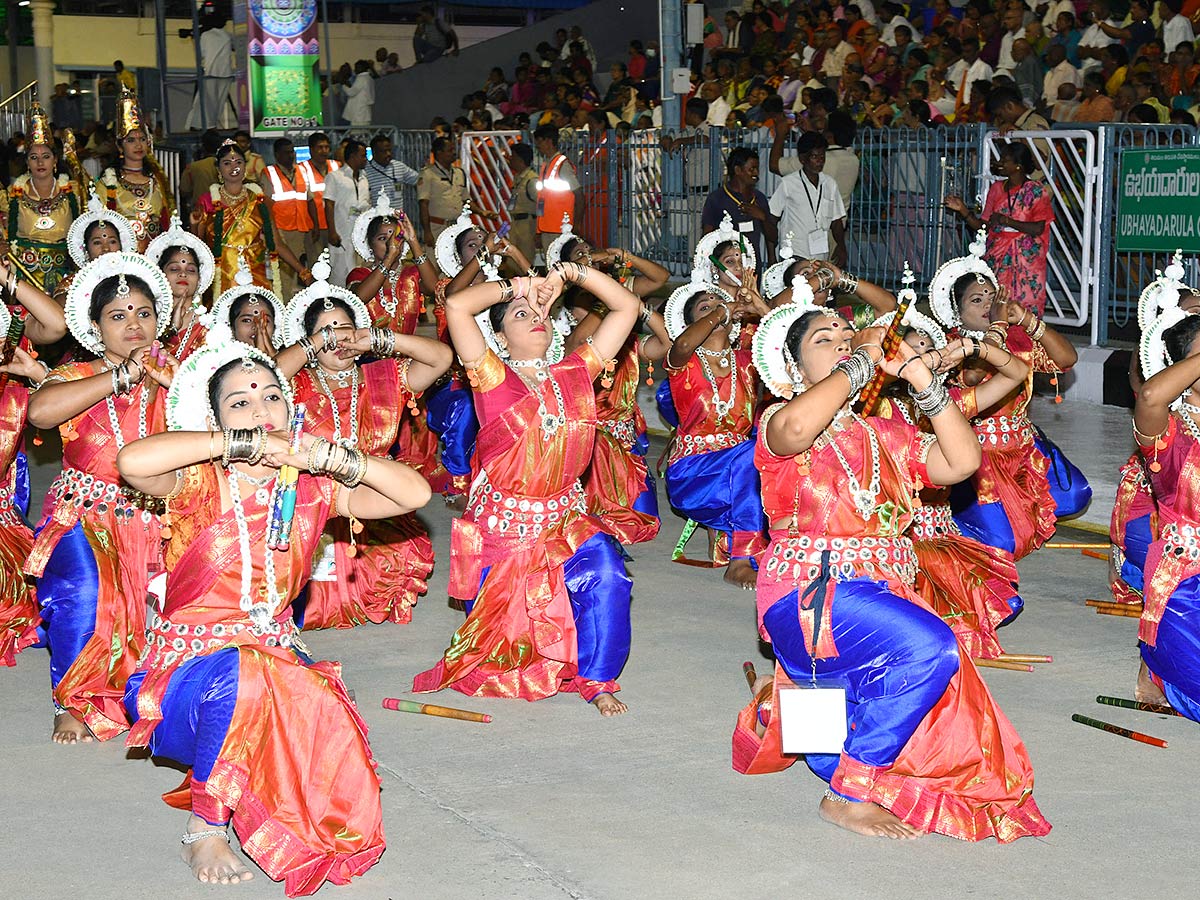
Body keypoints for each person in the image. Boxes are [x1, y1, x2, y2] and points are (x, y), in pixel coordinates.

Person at [116, 336, 431, 890]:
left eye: (270, 396)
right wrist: (230, 445)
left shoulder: (312, 488)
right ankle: (206, 826)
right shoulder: (194, 481)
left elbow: (414, 494)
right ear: (214, 419)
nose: (260, 410)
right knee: (246, 675)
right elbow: (131, 460)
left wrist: (325, 457)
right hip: (182, 682)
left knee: (336, 777)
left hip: (277, 662)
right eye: (239, 402)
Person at [731, 297, 1050, 843]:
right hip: (811, 598)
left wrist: (924, 381)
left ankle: (806, 720)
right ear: (791, 369)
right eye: (822, 340)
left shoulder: (886, 435)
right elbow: (797, 425)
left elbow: (962, 462)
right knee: (932, 649)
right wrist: (856, 365)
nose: (841, 341)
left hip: (876, 599)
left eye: (845, 334)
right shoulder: (779, 424)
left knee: (923, 758)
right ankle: (846, 794)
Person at [413, 261, 640, 716]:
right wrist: (519, 286)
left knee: (610, 573)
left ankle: (597, 678)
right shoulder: (491, 376)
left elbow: (627, 306)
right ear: (498, 337)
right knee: (507, 651)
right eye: (520, 315)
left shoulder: (575, 373)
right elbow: (457, 305)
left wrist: (569, 275)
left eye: (541, 312)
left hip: (565, 520)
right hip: (506, 532)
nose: (536, 316)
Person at [25, 253, 174, 744]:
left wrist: (179, 389)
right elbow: (41, 413)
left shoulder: (181, 375)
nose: (134, 324)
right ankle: (70, 698)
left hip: (161, 516)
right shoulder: (76, 376)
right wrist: (122, 377)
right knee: (87, 592)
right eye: (118, 315)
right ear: (95, 327)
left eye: (143, 313)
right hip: (83, 516)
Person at [280, 267, 449, 629]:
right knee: (308, 601)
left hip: (376, 501)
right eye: (324, 333)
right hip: (317, 505)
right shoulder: (295, 385)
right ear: (307, 341)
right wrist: (312, 346)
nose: (336, 340)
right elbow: (269, 373)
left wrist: (377, 340)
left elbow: (441, 359)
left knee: (391, 574)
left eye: (343, 330)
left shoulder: (386, 376)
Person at [871, 304, 1030, 658]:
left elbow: (1016, 374)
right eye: (913, 350)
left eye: (929, 347)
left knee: (1006, 602)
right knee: (941, 625)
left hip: (943, 538)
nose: (925, 356)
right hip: (901, 540)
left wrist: (973, 349)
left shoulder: (949, 405)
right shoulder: (876, 410)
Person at [927, 235, 1086, 561]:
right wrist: (998, 323)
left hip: (1024, 447)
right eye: (976, 300)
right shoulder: (950, 346)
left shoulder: (1015, 340)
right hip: (979, 458)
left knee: (1077, 496)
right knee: (1005, 543)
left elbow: (1066, 359)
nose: (987, 304)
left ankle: (1013, 511)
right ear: (956, 313)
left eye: (991, 296)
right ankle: (955, 514)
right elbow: (972, 376)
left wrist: (1026, 320)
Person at [661, 222, 768, 589]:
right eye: (704, 308)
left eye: (716, 303)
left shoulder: (747, 358)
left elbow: (789, 349)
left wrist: (759, 306)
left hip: (739, 466)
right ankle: (739, 561)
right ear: (694, 323)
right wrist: (720, 312)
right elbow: (681, 345)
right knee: (752, 454)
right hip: (692, 472)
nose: (715, 308)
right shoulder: (684, 361)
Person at [549, 224, 670, 547]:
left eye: (589, 251)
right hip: (594, 443)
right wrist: (614, 300)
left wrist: (623, 261)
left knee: (646, 523)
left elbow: (666, 338)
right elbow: (579, 337)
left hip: (627, 440)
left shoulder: (628, 340)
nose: (588, 257)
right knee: (608, 519)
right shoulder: (571, 344)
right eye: (579, 256)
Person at [945, 142, 1054, 316]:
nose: (1000, 162)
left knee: (1027, 302)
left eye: (1005, 159)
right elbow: (984, 227)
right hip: (998, 255)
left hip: (1026, 259)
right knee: (998, 301)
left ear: (1018, 166)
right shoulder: (997, 189)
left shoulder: (1035, 190)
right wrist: (963, 210)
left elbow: (1038, 228)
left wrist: (1007, 221)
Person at [191, 141, 306, 297]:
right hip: (221, 280)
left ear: (245, 167)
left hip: (255, 278)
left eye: (238, 162)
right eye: (227, 163)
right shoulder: (208, 201)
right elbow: (199, 248)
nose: (234, 167)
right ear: (218, 169)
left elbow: (277, 244)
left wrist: (303, 272)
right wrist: (194, 226)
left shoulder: (259, 200)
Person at [0, 103, 83, 295]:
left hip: (65, 277)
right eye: (33, 157)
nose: (40, 162)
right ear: (27, 162)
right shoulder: (11, 195)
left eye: (45, 156)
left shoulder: (75, 192)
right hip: (24, 276)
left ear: (55, 160)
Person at [95, 88, 174, 252]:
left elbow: (168, 221)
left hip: (156, 257)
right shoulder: (107, 183)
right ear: (119, 146)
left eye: (142, 139)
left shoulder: (157, 181)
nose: (138, 145)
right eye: (131, 140)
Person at [768, 132, 847, 267]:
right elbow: (771, 219)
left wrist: (841, 247)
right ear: (803, 159)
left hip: (820, 255)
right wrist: (771, 256)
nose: (820, 161)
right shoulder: (788, 184)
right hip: (794, 253)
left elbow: (836, 221)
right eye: (815, 157)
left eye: (822, 156)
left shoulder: (829, 184)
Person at [145, 212, 216, 361]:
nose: (183, 274)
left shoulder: (210, 327)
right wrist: (170, 330)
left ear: (199, 279)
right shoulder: (146, 318)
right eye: (174, 269)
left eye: (190, 270)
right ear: (159, 274)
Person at [701, 147, 777, 263]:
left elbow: (772, 237)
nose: (756, 173)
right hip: (726, 267)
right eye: (752, 169)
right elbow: (707, 236)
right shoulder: (717, 198)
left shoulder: (759, 198)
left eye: (757, 169)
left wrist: (763, 217)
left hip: (752, 266)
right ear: (738, 170)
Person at [263, 138, 316, 298]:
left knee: (308, 271)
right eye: (286, 152)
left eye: (292, 151)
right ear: (276, 154)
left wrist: (315, 225)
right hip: (281, 229)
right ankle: (283, 305)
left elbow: (310, 199)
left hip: (302, 228)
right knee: (284, 273)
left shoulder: (301, 171)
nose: (290, 155)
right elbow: (265, 204)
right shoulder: (269, 173)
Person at [324, 139, 372, 287]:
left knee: (359, 274)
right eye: (362, 156)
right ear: (352, 157)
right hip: (341, 235)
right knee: (340, 274)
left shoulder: (364, 178)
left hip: (361, 235)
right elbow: (329, 205)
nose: (366, 159)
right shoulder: (335, 177)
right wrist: (332, 231)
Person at [533, 124, 583, 253]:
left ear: (549, 141)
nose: (537, 145)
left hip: (561, 229)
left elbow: (579, 195)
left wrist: (576, 225)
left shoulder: (561, 165)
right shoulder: (547, 165)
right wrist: (539, 231)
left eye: (539, 141)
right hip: (548, 228)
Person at [185, 13, 236, 130]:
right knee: (219, 101)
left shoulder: (206, 35)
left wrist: (194, 37)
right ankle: (212, 124)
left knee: (205, 101)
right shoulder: (227, 36)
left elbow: (200, 54)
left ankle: (200, 125)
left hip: (210, 74)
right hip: (225, 74)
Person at [298, 132, 341, 263]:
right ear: (311, 150)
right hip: (314, 227)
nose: (324, 151)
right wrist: (314, 226)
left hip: (336, 224)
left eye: (326, 147)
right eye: (320, 147)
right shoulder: (302, 169)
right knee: (316, 264)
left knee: (337, 263)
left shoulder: (337, 166)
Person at [417, 136, 468, 246]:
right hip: (437, 227)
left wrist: (483, 212)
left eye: (454, 149)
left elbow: (465, 200)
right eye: (450, 150)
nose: (454, 153)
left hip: (458, 227)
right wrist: (427, 232)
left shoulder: (459, 173)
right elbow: (423, 204)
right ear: (439, 153)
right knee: (435, 261)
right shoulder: (428, 174)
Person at [506, 142, 539, 263]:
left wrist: (538, 231)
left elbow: (542, 207)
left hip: (528, 225)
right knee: (512, 261)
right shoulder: (519, 178)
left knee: (525, 260)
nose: (510, 159)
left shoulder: (532, 180)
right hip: (516, 224)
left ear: (520, 159)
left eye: (513, 156)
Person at [179, 129, 223, 219]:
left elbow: (184, 191)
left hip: (200, 213)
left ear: (203, 146)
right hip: (224, 212)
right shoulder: (227, 166)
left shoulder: (193, 167)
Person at [364, 135, 419, 207]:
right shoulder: (365, 171)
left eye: (389, 150)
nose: (388, 154)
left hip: (398, 216)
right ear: (374, 152)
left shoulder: (399, 166)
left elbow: (418, 180)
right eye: (384, 151)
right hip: (377, 216)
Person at [342, 60, 376, 128]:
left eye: (357, 67)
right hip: (365, 113)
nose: (355, 70)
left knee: (356, 134)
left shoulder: (361, 78)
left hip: (358, 114)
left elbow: (351, 92)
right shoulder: (370, 79)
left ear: (362, 68)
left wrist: (343, 85)